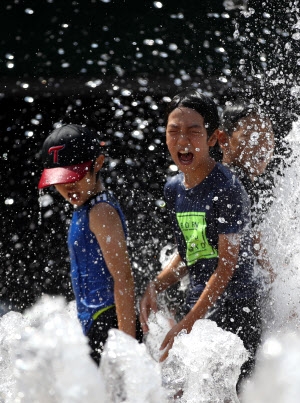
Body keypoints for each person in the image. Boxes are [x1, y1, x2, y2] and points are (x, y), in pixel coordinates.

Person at [139, 90, 262, 384]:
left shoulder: (228, 188)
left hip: (236, 311)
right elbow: (191, 251)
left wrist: (186, 324)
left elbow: (225, 267)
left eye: (193, 132)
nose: (182, 141)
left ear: (212, 138)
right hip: (199, 308)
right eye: (174, 132)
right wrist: (154, 287)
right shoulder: (174, 189)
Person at [38, 124, 140, 364]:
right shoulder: (84, 207)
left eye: (76, 176)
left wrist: (128, 350)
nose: (68, 186)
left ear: (98, 163)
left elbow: (123, 278)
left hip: (110, 323)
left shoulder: (101, 211)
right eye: (61, 180)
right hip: (94, 323)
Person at [216, 100, 276, 284]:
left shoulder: (218, 179)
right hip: (235, 297)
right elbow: (256, 243)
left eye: (268, 137)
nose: (263, 146)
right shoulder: (235, 183)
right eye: (252, 136)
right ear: (223, 140)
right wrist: (277, 280)